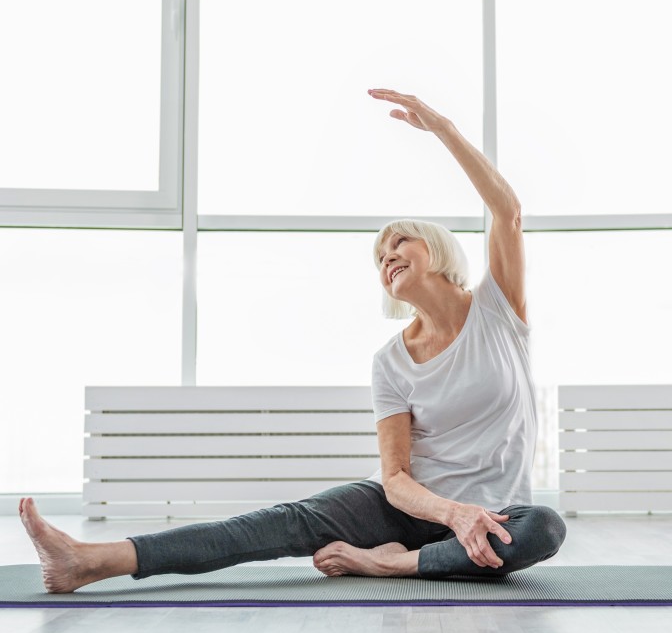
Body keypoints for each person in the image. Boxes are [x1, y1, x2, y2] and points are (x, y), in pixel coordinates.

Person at [19, 88, 566, 593]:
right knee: (280, 522)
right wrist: (450, 514)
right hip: (407, 510)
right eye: (380, 256)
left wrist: (442, 127)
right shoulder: (391, 362)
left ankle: (383, 561)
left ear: (439, 249)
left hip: (497, 517)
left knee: (543, 528)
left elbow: (507, 212)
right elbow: (396, 479)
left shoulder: (498, 312)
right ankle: (90, 560)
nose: (388, 256)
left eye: (401, 242)